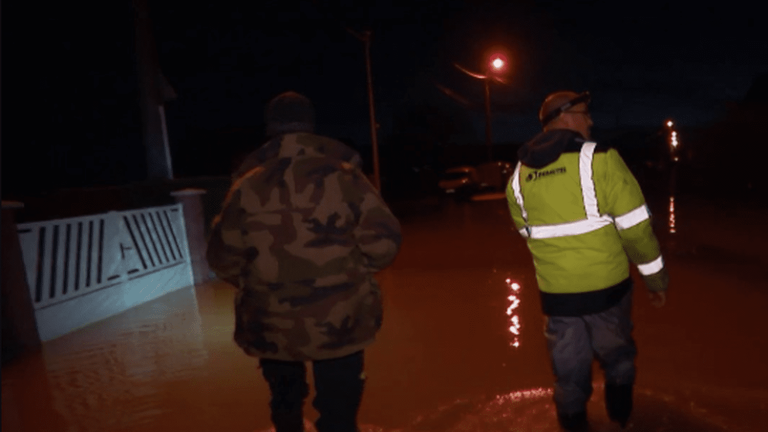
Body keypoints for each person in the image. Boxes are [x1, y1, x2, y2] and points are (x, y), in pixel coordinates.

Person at [207, 91, 402, 432]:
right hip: (341, 319)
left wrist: (264, 282)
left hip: (271, 323)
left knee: (285, 401)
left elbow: (222, 258)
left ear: (271, 129)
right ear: (311, 127)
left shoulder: (246, 186)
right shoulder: (346, 177)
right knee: (340, 407)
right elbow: (385, 244)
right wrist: (349, 274)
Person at [505, 91, 669, 431]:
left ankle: (573, 424)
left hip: (557, 298)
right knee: (619, 358)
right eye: (584, 113)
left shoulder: (518, 175)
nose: (590, 120)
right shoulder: (602, 159)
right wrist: (656, 281)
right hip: (608, 293)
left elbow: (528, 235)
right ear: (564, 118)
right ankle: (621, 418)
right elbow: (637, 232)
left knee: (568, 372)